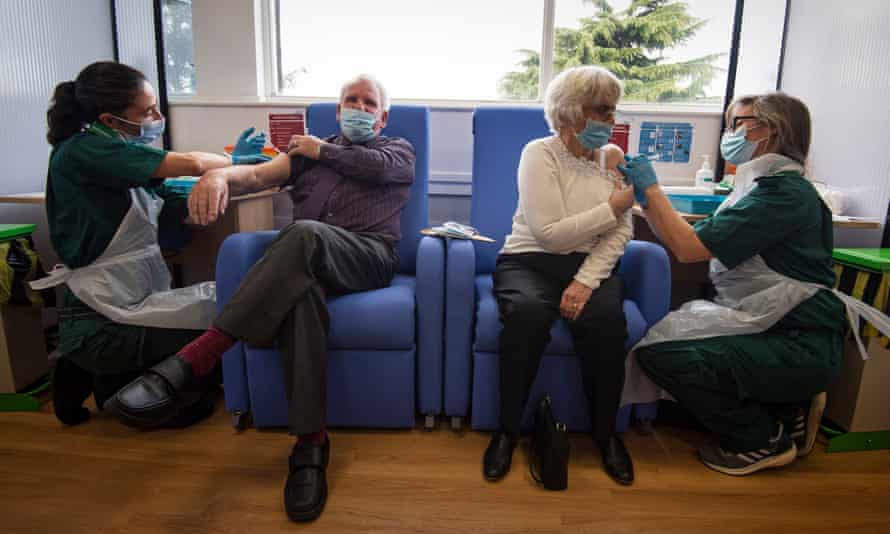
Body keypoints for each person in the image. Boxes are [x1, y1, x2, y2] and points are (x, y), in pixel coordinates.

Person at [104, 74, 415, 522]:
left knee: (302, 234)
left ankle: (196, 359)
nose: (360, 108)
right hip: (308, 264)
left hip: (367, 258)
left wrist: (322, 150)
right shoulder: (304, 156)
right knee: (300, 295)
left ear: (382, 118)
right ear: (337, 106)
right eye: (352, 99)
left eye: (370, 104)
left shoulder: (396, 150)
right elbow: (254, 174)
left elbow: (379, 170)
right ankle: (310, 447)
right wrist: (218, 176)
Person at [619, 92, 846, 476]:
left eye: (737, 124)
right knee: (675, 374)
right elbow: (691, 238)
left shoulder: (782, 195)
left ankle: (759, 440)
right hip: (776, 327)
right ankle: (784, 412)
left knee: (662, 355)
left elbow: (689, 248)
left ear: (771, 130)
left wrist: (653, 191)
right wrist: (645, 200)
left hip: (797, 340)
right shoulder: (761, 187)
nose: (729, 134)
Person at [40, 61, 270, 429]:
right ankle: (90, 365)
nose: (158, 117)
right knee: (209, 357)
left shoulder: (117, 150)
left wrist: (222, 184)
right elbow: (192, 163)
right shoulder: (87, 151)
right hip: (102, 312)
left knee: (222, 307)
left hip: (128, 296)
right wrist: (231, 162)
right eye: (147, 111)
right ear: (111, 120)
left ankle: (102, 370)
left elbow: (165, 193)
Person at [482, 66, 637, 487]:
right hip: (528, 260)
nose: (611, 120)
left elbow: (622, 231)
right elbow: (548, 235)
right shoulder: (539, 152)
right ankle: (507, 432)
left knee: (607, 323)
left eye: (613, 110)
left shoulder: (613, 159)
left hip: (589, 266)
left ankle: (606, 437)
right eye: (601, 111)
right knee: (528, 316)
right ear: (570, 112)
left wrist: (585, 281)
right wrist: (613, 207)